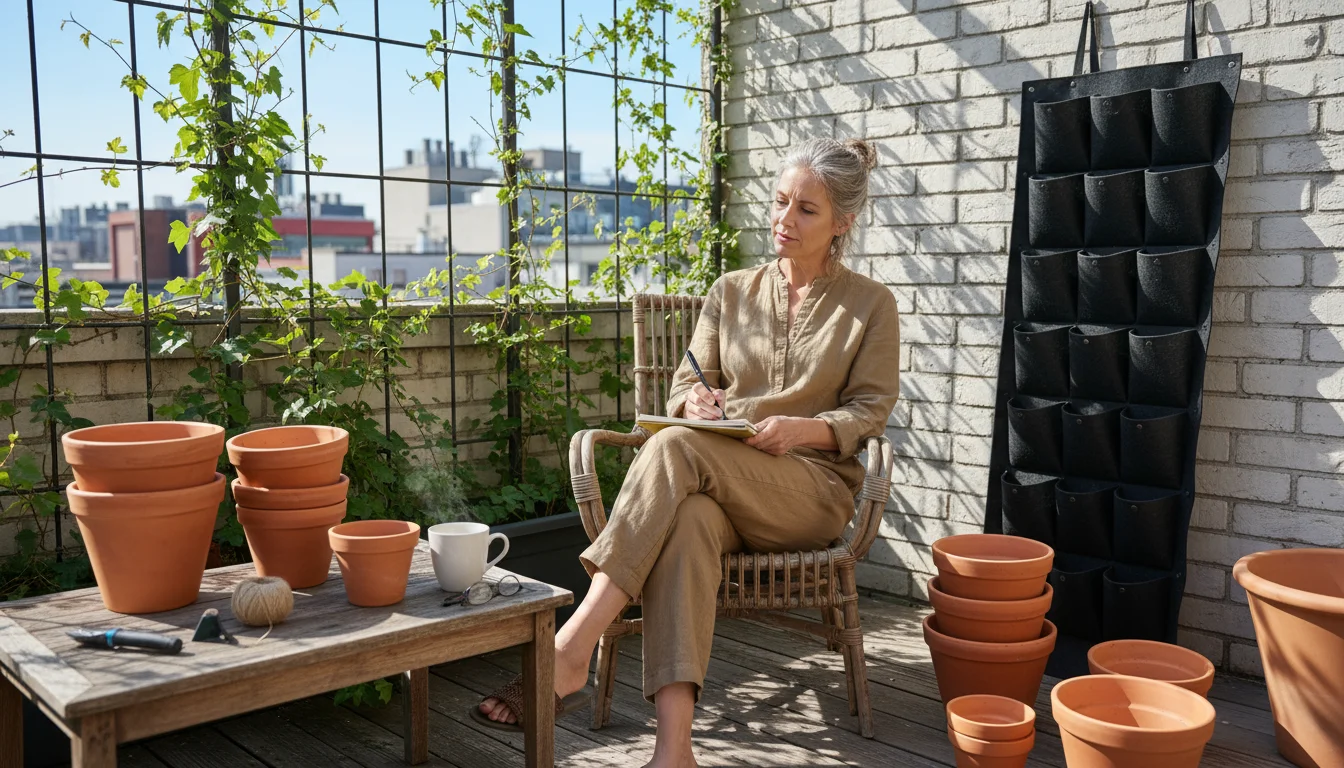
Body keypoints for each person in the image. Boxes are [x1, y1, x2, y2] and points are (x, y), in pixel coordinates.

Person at [475, 136, 901, 768]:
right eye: (781, 201)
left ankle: (572, 645)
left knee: (676, 452)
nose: (784, 220)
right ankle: (674, 752)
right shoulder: (730, 291)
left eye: (806, 210)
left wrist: (799, 428)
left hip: (809, 489)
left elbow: (869, 409)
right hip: (721, 483)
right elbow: (685, 383)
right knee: (688, 524)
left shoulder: (871, 304)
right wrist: (693, 406)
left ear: (843, 221)